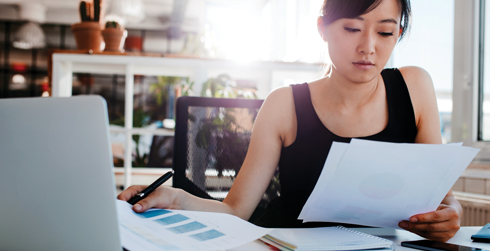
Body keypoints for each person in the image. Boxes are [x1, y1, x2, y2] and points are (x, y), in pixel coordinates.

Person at [118, 0, 462, 242]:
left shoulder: (415, 87)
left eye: (386, 33)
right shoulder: (284, 105)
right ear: (323, 28)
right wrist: (175, 199)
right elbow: (236, 210)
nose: (368, 47)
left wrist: (451, 215)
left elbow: (441, 199)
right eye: (352, 28)